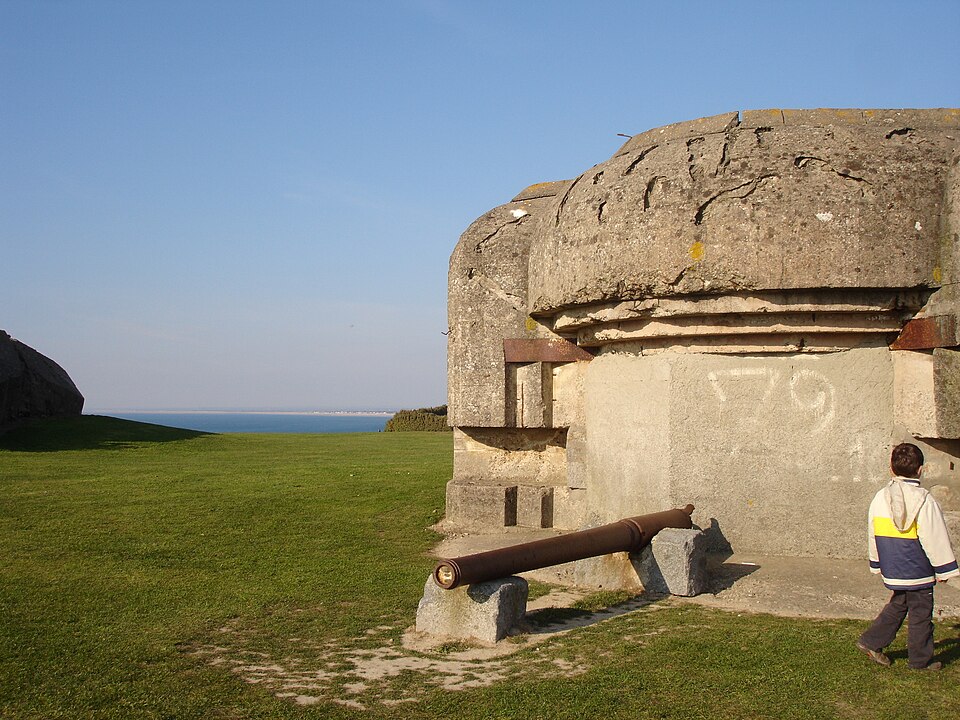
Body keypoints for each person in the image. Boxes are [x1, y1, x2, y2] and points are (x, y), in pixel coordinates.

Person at [857, 443, 959, 670]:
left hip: (893, 566)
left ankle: (871, 641)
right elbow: (934, 537)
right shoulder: (924, 500)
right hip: (918, 569)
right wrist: (944, 569)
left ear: (891, 469)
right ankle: (920, 660)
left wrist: (877, 562)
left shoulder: (880, 497)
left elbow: (873, 532)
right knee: (921, 612)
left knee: (900, 602)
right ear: (921, 470)